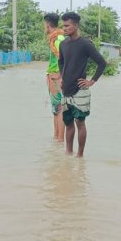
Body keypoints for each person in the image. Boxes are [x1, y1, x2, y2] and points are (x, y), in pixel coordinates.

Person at [58, 12, 107, 157]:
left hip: (80, 90)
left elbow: (102, 63)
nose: (64, 28)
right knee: (68, 124)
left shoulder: (85, 44)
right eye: (63, 25)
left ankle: (80, 156)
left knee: (80, 123)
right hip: (66, 90)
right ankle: (68, 153)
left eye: (67, 25)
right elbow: (61, 62)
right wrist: (62, 76)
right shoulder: (63, 44)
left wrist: (91, 81)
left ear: (76, 25)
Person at [43, 13, 66, 142]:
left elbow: (64, 58)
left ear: (47, 24)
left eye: (44, 25)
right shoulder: (56, 38)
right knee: (56, 109)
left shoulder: (58, 39)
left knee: (59, 108)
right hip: (53, 76)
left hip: (56, 77)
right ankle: (57, 139)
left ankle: (60, 139)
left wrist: (59, 74)